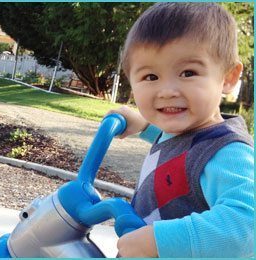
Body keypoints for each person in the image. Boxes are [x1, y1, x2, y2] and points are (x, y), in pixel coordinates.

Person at [108, 3, 254, 258]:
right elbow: (183, 151)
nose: (167, 91)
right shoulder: (187, 133)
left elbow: (246, 227)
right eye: (150, 77)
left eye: (188, 73)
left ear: (228, 77)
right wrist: (142, 125)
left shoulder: (227, 152)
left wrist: (159, 240)